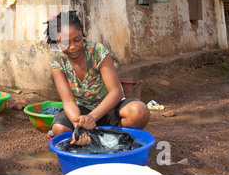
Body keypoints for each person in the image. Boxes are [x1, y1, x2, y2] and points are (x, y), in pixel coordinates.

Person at [45, 11, 150, 146]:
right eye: (64, 43)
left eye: (77, 40)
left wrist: (92, 117)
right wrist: (79, 126)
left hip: (109, 109)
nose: (72, 47)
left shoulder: (97, 52)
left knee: (139, 112)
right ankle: (98, 137)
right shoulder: (57, 62)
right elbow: (69, 101)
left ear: (82, 34)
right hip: (82, 111)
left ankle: (109, 135)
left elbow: (115, 92)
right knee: (60, 129)